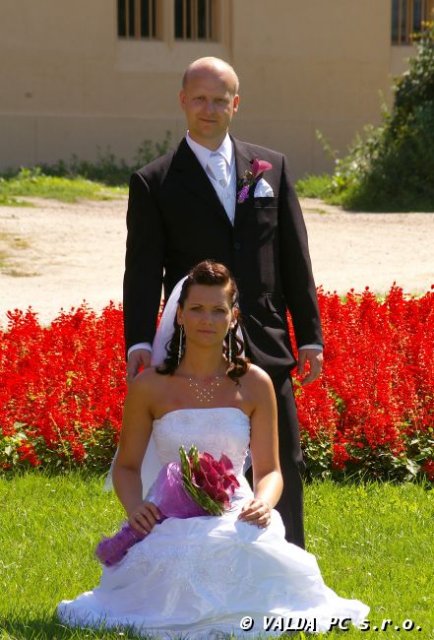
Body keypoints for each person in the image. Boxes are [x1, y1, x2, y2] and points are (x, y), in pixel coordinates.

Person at [58, 261, 368, 637]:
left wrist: (263, 503)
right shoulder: (149, 386)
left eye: (218, 310)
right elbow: (126, 466)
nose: (207, 320)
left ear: (233, 316)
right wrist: (136, 508)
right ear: (179, 315)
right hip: (168, 514)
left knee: (250, 558)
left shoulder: (255, 383)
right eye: (197, 309)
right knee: (176, 561)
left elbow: (270, 470)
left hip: (237, 511)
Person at [123, 56, 323, 548]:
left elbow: (295, 258)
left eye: (219, 99)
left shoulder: (271, 168)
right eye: (199, 98)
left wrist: (310, 336)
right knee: (204, 466)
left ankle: (283, 565)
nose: (208, 109)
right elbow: (143, 270)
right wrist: (140, 342)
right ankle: (202, 563)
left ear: (236, 104)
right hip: (199, 340)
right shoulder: (154, 181)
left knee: (283, 460)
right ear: (182, 101)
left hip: (266, 337)